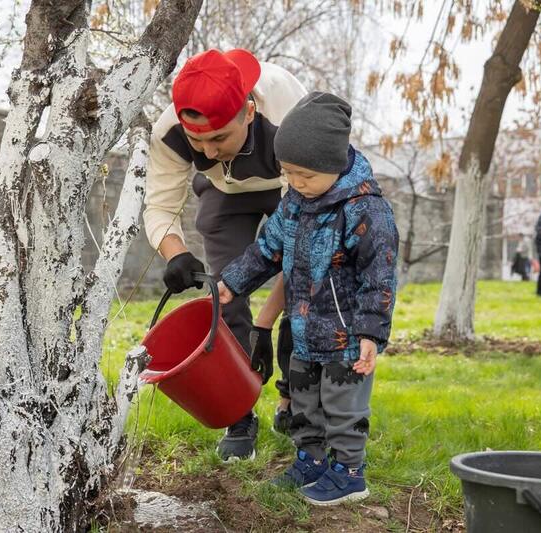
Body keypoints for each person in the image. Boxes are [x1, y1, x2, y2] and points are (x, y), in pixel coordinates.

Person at [217, 92, 399, 505]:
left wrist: (371, 333)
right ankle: (311, 460)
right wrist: (233, 282)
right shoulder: (295, 205)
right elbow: (268, 249)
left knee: (342, 406)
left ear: (332, 163)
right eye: (288, 174)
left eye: (305, 175)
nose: (296, 183)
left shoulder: (365, 210)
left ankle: (350, 473)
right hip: (302, 330)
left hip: (346, 338)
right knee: (305, 401)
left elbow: (380, 276)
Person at [143, 48, 307, 461]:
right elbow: (160, 206)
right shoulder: (169, 131)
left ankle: (294, 397)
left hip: (293, 186)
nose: (209, 152)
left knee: (307, 283)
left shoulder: (287, 116)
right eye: (198, 141)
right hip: (224, 192)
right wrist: (175, 252)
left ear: (248, 112)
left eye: (218, 138)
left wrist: (265, 325)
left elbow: (303, 238)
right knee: (225, 290)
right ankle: (239, 411)